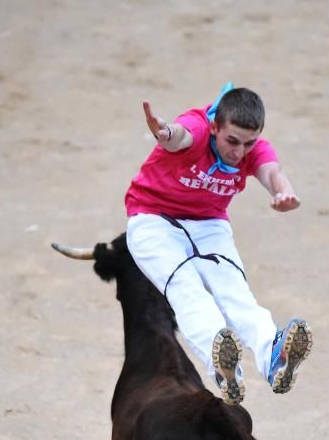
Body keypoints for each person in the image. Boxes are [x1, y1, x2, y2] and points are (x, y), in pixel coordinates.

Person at [125, 83, 313, 405]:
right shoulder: (198, 126)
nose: (239, 152)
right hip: (152, 219)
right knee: (187, 289)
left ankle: (275, 358)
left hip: (209, 224)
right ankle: (223, 366)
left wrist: (284, 192)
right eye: (232, 141)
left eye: (248, 143)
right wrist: (165, 132)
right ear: (215, 127)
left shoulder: (253, 149)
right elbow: (178, 137)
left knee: (236, 293)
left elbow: (272, 173)